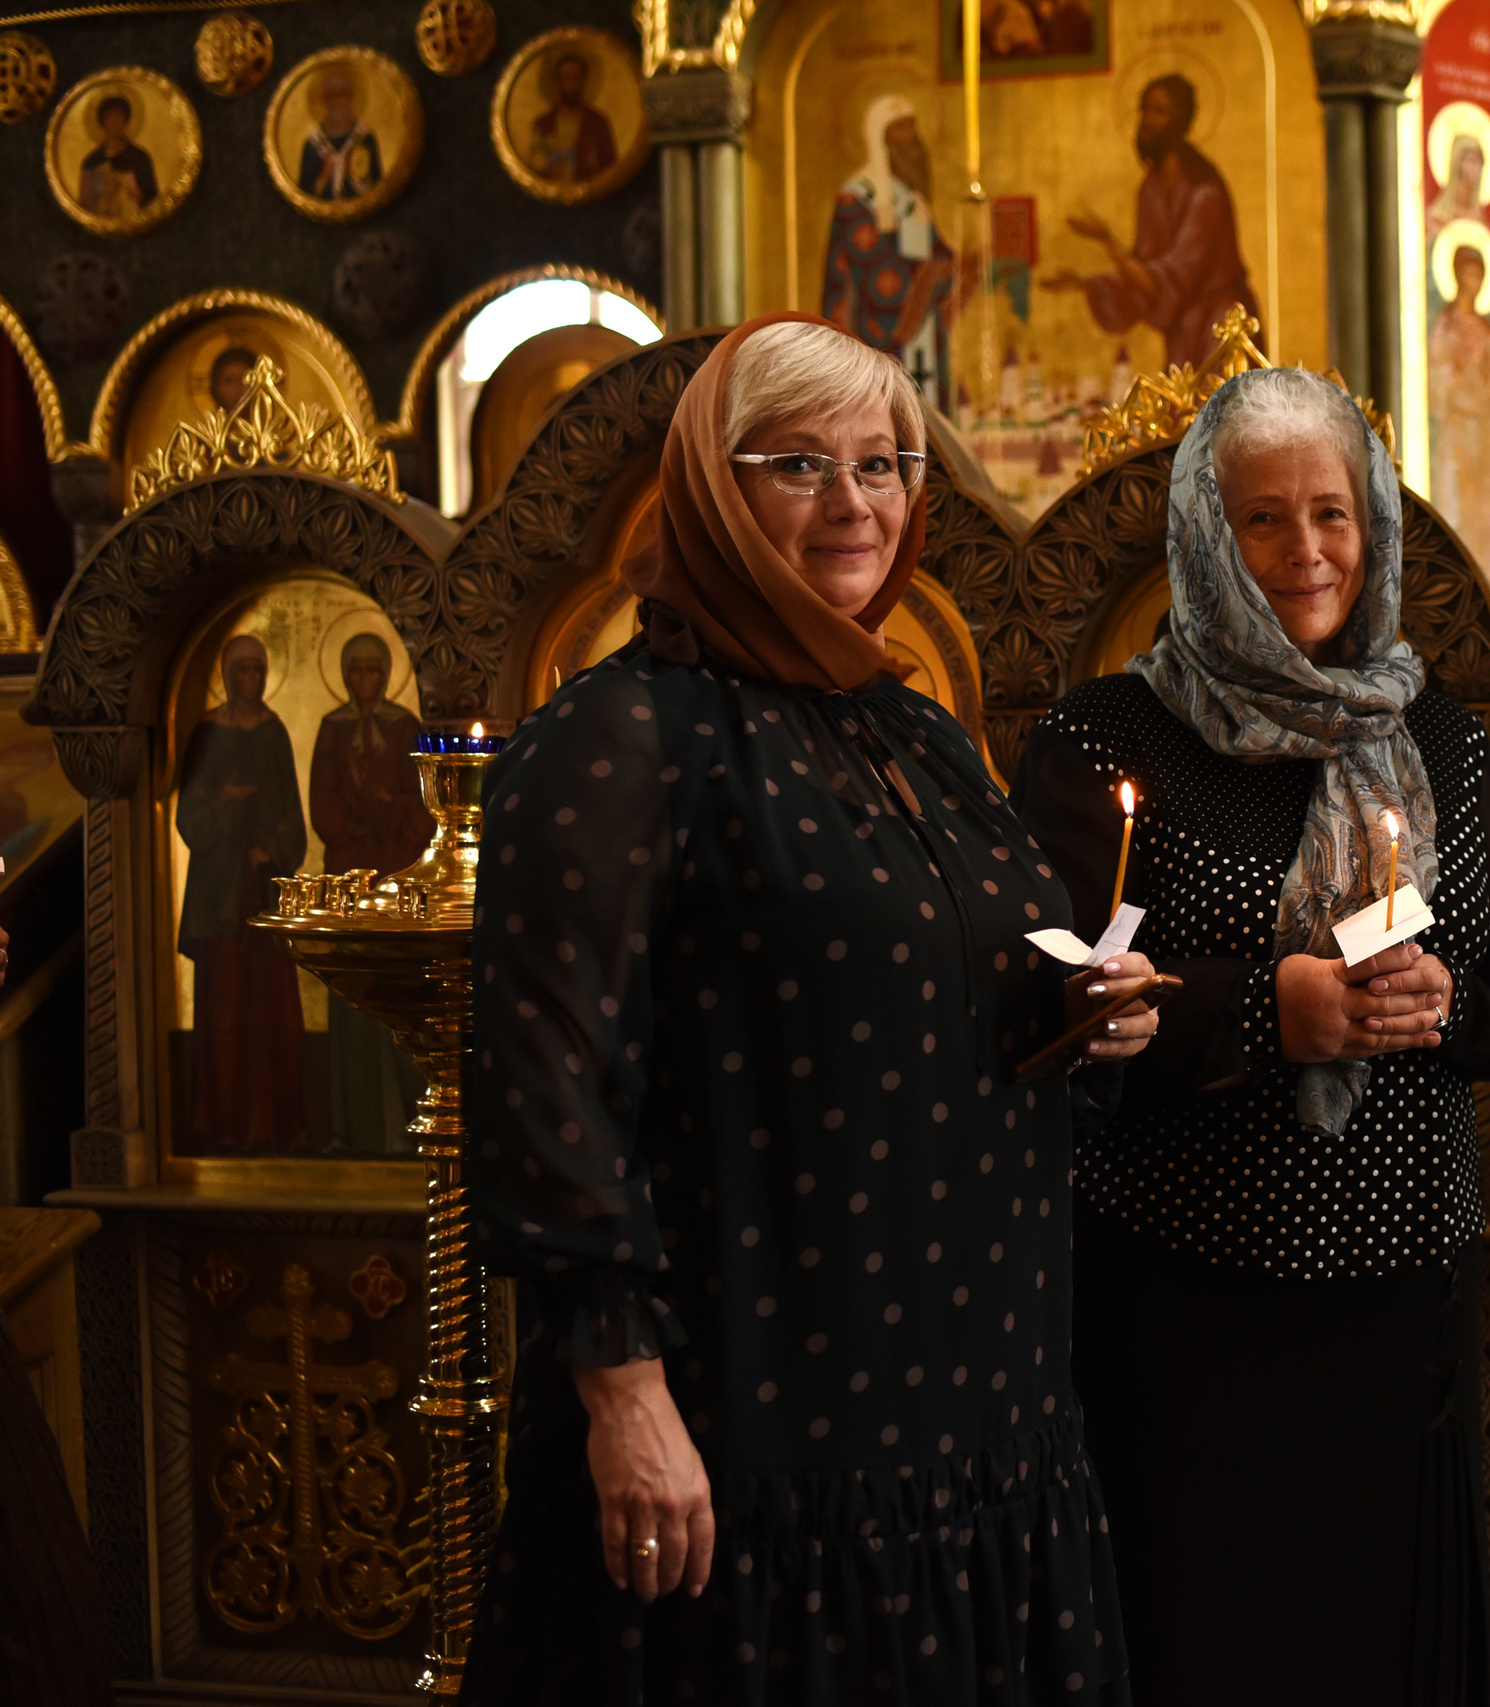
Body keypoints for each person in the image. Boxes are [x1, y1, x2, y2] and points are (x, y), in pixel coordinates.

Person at [460, 314, 1157, 1706]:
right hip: (757, 1416)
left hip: (978, 1410)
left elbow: (953, 1003)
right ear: (715, 491)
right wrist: (623, 1391)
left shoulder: (920, 733)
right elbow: (549, 1090)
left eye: (887, 463)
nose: (858, 503)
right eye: (801, 465)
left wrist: (1089, 1011)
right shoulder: (618, 737)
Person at [1012, 366, 1490, 1706]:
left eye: (1334, 512)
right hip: (1185, 1306)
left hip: (1395, 1311)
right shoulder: (1102, 740)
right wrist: (1272, 1010)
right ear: (1206, 535)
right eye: (1263, 519)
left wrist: (1429, 1010)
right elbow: (1047, 1007)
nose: (1306, 552)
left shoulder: (1432, 730)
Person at [175, 635, 307, 1151]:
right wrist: (226, 804)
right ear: (228, 676)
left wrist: (270, 849)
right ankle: (222, 1123)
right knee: (223, 1010)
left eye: (258, 670)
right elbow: (190, 815)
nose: (250, 680)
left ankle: (274, 1126)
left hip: (263, 888)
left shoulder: (274, 733)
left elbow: (291, 817)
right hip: (217, 893)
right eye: (241, 671)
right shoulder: (207, 732)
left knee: (271, 1008)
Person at [308, 632, 432, 1152]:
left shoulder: (405, 726)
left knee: (400, 987)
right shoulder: (331, 730)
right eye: (355, 670)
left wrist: (388, 813)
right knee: (353, 988)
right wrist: (356, 823)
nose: (364, 680)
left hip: (396, 868)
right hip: (351, 869)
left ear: (384, 674)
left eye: (372, 671)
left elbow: (422, 798)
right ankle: (354, 1128)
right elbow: (323, 799)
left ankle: (410, 1122)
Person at [1043, 74, 1257, 370]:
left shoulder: (1205, 190)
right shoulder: (1151, 190)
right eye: (1144, 110)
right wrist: (1084, 284)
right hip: (1183, 332)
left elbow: (1168, 279)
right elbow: (1143, 275)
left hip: (1221, 326)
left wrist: (1107, 240)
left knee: (1220, 411)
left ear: (1180, 119)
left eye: (1158, 111)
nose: (1147, 120)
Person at [824, 96, 965, 408]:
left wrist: (964, 263)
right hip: (878, 336)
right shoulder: (857, 197)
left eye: (913, 128)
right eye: (900, 129)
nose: (911, 139)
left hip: (925, 333)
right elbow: (869, 272)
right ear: (880, 138)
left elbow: (940, 253)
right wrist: (927, 275)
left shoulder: (913, 199)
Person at [1425, 241, 1490, 580]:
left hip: (1484, 437)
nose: (1473, 283)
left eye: (1479, 276)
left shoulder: (1488, 333)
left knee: (1485, 517)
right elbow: (1436, 377)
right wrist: (1457, 378)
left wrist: (1488, 388)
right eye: (1468, 274)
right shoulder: (1445, 326)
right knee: (1456, 508)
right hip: (1457, 431)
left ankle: (1487, 589)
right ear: (1457, 276)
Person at [530, 50, 619, 184]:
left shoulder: (597, 122)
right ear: (558, 81)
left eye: (576, 77)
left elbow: (610, 167)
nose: (571, 84)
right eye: (566, 78)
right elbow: (535, 165)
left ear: (584, 80)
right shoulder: (543, 123)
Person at [298, 66, 382, 203]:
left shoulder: (365, 138)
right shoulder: (313, 145)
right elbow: (303, 195)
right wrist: (323, 177)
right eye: (330, 95)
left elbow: (379, 189)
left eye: (342, 94)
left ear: (351, 98)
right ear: (323, 100)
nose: (336, 101)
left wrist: (356, 177)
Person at [76, 93, 158, 221]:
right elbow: (85, 205)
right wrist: (105, 195)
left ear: (126, 120)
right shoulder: (92, 161)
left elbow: (153, 200)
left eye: (119, 116)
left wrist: (136, 194)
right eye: (109, 116)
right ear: (102, 121)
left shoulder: (140, 158)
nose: (114, 121)